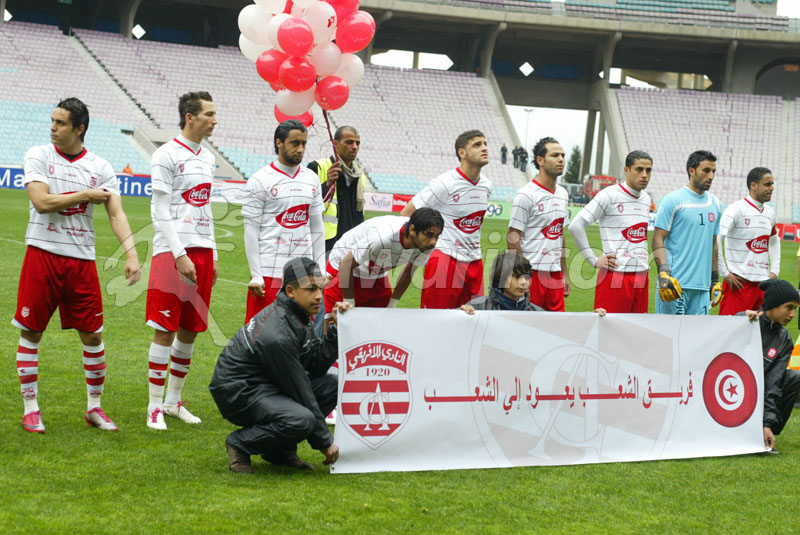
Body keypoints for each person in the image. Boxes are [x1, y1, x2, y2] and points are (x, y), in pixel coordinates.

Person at [12, 97, 141, 433]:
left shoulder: (100, 166)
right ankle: (31, 409)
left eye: (61, 123)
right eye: (52, 121)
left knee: (93, 336)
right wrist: (85, 195)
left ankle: (95, 408)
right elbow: (41, 202)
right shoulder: (39, 155)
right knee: (32, 331)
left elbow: (116, 213)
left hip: (81, 261)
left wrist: (131, 254)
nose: (53, 128)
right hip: (42, 254)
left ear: (79, 128)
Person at [209, 257, 349, 473]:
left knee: (331, 385)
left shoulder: (297, 314)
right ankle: (240, 443)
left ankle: (279, 451)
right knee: (300, 419)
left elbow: (315, 365)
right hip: (237, 391)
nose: (319, 296)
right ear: (291, 291)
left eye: (321, 288)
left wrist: (336, 330)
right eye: (311, 289)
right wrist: (324, 441)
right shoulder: (277, 333)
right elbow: (300, 389)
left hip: (264, 383)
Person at [145, 91, 218, 430]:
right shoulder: (165, 155)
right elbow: (159, 211)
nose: (215, 120)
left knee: (190, 330)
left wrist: (213, 253)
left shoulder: (208, 158)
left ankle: (173, 402)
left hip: (202, 252)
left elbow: (205, 208)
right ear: (190, 117)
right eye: (209, 114)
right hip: (172, 253)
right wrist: (179, 254)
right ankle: (154, 407)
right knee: (165, 329)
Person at [243, 120, 325, 323]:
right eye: (295, 143)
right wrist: (256, 275)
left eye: (304, 143)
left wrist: (320, 269)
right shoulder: (260, 180)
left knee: (301, 333)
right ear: (279, 143)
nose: (301, 149)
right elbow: (251, 229)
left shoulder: (311, 179)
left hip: (303, 273)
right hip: (269, 273)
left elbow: (317, 226)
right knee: (262, 334)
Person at [400, 130, 492, 309]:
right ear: (462, 153)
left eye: (485, 144)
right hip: (445, 259)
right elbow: (406, 214)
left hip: (475, 261)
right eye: (477, 145)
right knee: (436, 319)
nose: (484, 148)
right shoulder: (444, 183)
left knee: (474, 319)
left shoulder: (486, 185)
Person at [569, 150, 653, 313]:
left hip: (642, 276)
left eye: (648, 170)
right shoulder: (609, 195)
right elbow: (576, 225)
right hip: (616, 276)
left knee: (637, 328)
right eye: (639, 169)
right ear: (626, 170)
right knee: (610, 328)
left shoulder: (646, 199)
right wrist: (593, 260)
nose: (644, 175)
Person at [324, 208, 443, 311]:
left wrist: (392, 305)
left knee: (381, 323)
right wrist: (349, 304)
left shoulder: (426, 244)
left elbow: (408, 271)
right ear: (412, 230)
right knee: (335, 322)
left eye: (437, 236)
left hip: (375, 272)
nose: (433, 242)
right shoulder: (382, 237)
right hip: (342, 264)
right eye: (429, 234)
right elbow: (346, 264)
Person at [653, 150, 722, 315]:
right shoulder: (673, 200)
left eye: (713, 171)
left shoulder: (716, 204)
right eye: (706, 170)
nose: (711, 176)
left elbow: (713, 243)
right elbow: (657, 238)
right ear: (692, 170)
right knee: (670, 332)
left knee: (698, 333)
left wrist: (714, 279)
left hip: (702, 289)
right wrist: (663, 273)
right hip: (674, 286)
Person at [508, 137, 570, 311]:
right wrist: (522, 275)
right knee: (527, 324)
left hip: (555, 275)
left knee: (556, 325)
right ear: (540, 160)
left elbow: (559, 234)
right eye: (555, 155)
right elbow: (513, 237)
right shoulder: (526, 194)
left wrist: (564, 273)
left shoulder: (563, 194)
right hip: (532, 274)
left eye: (563, 155)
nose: (561, 159)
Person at [742, 279, 800, 452]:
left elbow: (773, 382)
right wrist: (738, 319)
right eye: (789, 307)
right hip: (734, 389)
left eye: (795, 309)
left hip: (761, 391)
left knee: (793, 378)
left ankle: (766, 433)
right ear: (773, 305)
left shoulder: (784, 339)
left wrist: (767, 423)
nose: (793, 314)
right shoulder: (745, 322)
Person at [717, 167, 779, 315]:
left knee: (759, 328)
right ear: (753, 185)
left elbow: (774, 241)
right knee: (730, 327)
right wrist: (724, 273)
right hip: (738, 284)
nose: (772, 188)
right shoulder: (736, 210)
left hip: (763, 285)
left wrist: (775, 270)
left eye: (772, 184)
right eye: (767, 184)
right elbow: (717, 239)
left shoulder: (770, 213)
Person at [307, 126, 365, 253]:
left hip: (351, 244)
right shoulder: (318, 167)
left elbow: (359, 213)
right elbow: (305, 205)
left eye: (357, 143)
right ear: (335, 144)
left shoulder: (360, 175)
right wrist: (326, 185)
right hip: (324, 242)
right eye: (349, 142)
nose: (354, 147)